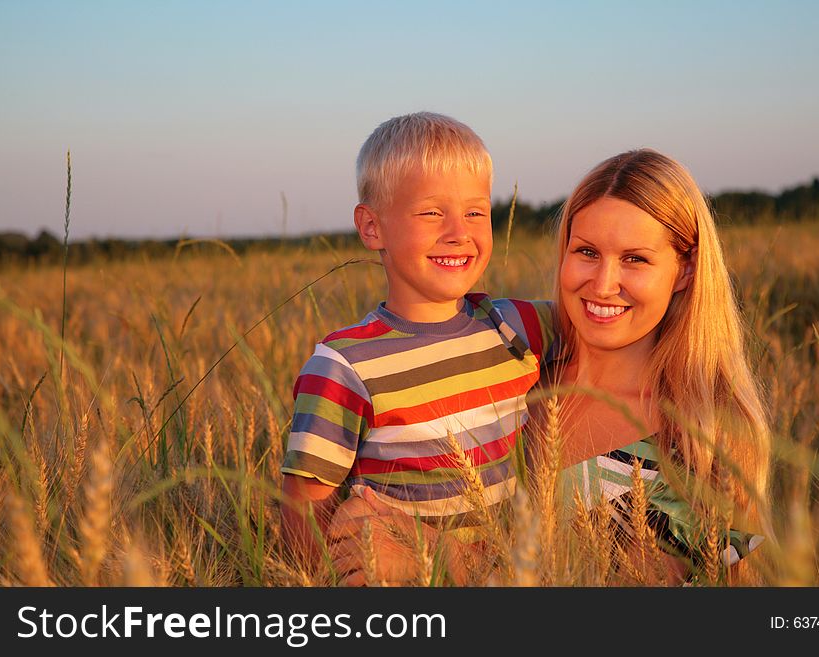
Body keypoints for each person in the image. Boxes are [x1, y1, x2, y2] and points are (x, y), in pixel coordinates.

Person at [279, 112, 557, 585]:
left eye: (475, 211)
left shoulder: (518, 325)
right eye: (432, 212)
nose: (458, 231)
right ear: (372, 228)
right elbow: (304, 510)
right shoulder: (343, 366)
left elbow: (611, 339)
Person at [528, 148, 771, 584]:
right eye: (586, 251)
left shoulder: (701, 434)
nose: (603, 284)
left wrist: (441, 554)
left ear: (685, 269)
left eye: (634, 259)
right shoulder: (509, 385)